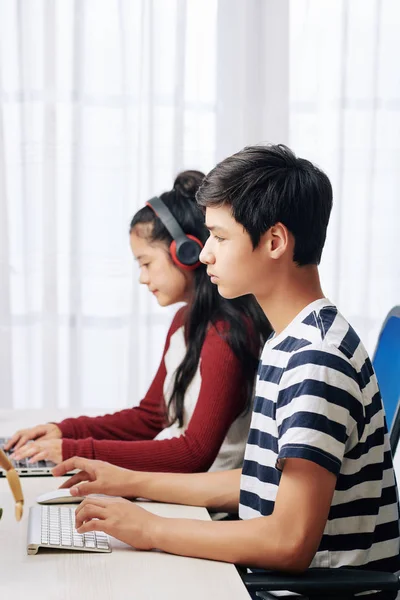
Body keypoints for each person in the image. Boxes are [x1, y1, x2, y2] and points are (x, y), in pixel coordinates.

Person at [54, 144, 399, 592]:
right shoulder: (288, 339)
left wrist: (150, 529)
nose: (204, 254)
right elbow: (258, 479)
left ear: (274, 241)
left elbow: (289, 541)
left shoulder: (316, 359)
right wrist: (128, 481)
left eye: (219, 236)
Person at [6, 170, 270, 472]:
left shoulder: (227, 333)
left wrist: (74, 451)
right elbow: (150, 418)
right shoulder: (185, 321)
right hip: (179, 494)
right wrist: (64, 431)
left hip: (208, 511)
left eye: (146, 263)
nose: (143, 278)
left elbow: (194, 454)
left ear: (187, 253)